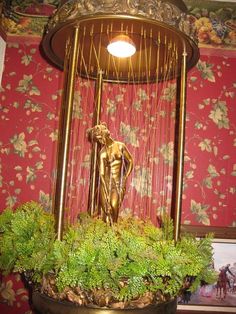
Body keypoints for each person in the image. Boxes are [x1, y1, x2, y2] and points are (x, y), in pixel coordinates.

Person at [88, 123, 133, 223]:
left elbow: (130, 161)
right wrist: (105, 190)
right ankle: (108, 233)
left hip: (118, 183)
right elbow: (102, 175)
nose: (100, 140)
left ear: (105, 134)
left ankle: (115, 230)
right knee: (106, 210)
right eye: (97, 138)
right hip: (106, 183)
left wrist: (125, 176)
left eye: (99, 137)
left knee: (114, 206)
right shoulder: (103, 153)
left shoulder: (120, 146)